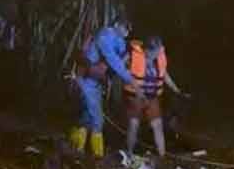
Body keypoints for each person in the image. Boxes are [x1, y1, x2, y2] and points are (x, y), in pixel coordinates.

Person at [68, 18, 144, 158]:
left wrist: (130, 53)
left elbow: (120, 58)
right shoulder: (104, 36)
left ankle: (75, 149)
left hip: (96, 83)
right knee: (97, 119)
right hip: (85, 80)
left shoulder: (119, 40)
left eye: (129, 29)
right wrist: (132, 81)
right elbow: (114, 62)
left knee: (87, 116)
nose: (128, 31)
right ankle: (97, 156)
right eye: (125, 27)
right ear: (116, 25)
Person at [125, 35, 187, 158]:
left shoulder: (159, 57)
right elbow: (121, 68)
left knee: (157, 125)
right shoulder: (133, 55)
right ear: (147, 49)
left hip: (152, 97)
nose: (155, 54)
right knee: (134, 124)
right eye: (153, 51)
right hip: (135, 96)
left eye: (158, 51)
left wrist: (176, 89)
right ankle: (129, 154)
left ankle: (162, 156)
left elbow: (164, 75)